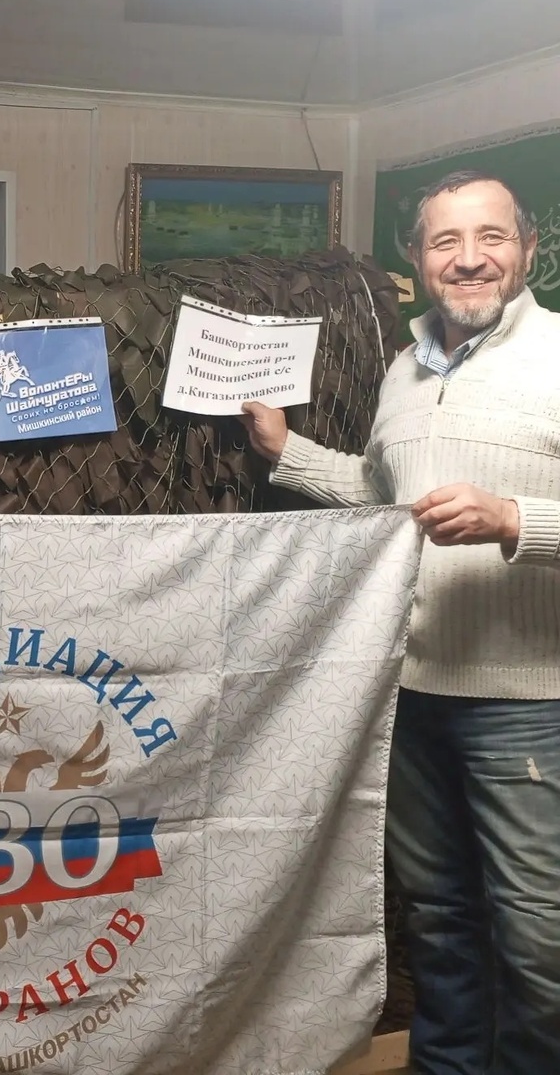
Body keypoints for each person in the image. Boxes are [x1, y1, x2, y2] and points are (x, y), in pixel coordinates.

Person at [240, 170, 560, 1075]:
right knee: (441, 923)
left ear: (528, 249)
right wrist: (287, 453)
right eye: (446, 241)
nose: (470, 258)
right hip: (413, 697)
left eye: (491, 236)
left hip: (530, 707)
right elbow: (387, 498)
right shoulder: (405, 370)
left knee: (540, 940)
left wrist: (515, 519)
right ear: (416, 261)